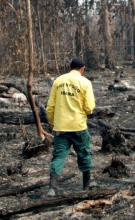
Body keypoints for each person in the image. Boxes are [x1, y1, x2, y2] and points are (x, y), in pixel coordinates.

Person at [46, 57, 95, 195]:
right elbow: (90, 107)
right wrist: (85, 112)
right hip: (78, 126)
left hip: (60, 127)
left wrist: (53, 121)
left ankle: (52, 187)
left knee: (58, 156)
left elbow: (50, 107)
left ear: (70, 67)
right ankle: (86, 185)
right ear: (82, 69)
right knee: (84, 153)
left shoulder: (58, 81)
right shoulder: (85, 82)